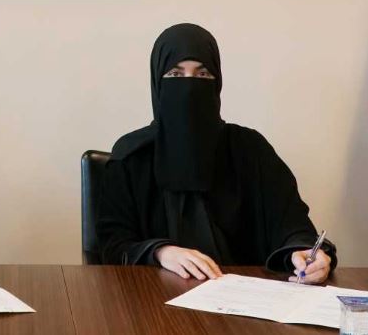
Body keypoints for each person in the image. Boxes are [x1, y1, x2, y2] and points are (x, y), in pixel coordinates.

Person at [96, 23, 336, 283]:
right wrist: (160, 252)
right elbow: (113, 245)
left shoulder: (250, 150)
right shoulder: (132, 157)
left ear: (217, 82)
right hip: (153, 301)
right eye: (176, 75)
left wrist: (307, 254)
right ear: (157, 83)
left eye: (202, 75)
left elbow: (293, 225)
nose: (189, 87)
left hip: (244, 301)